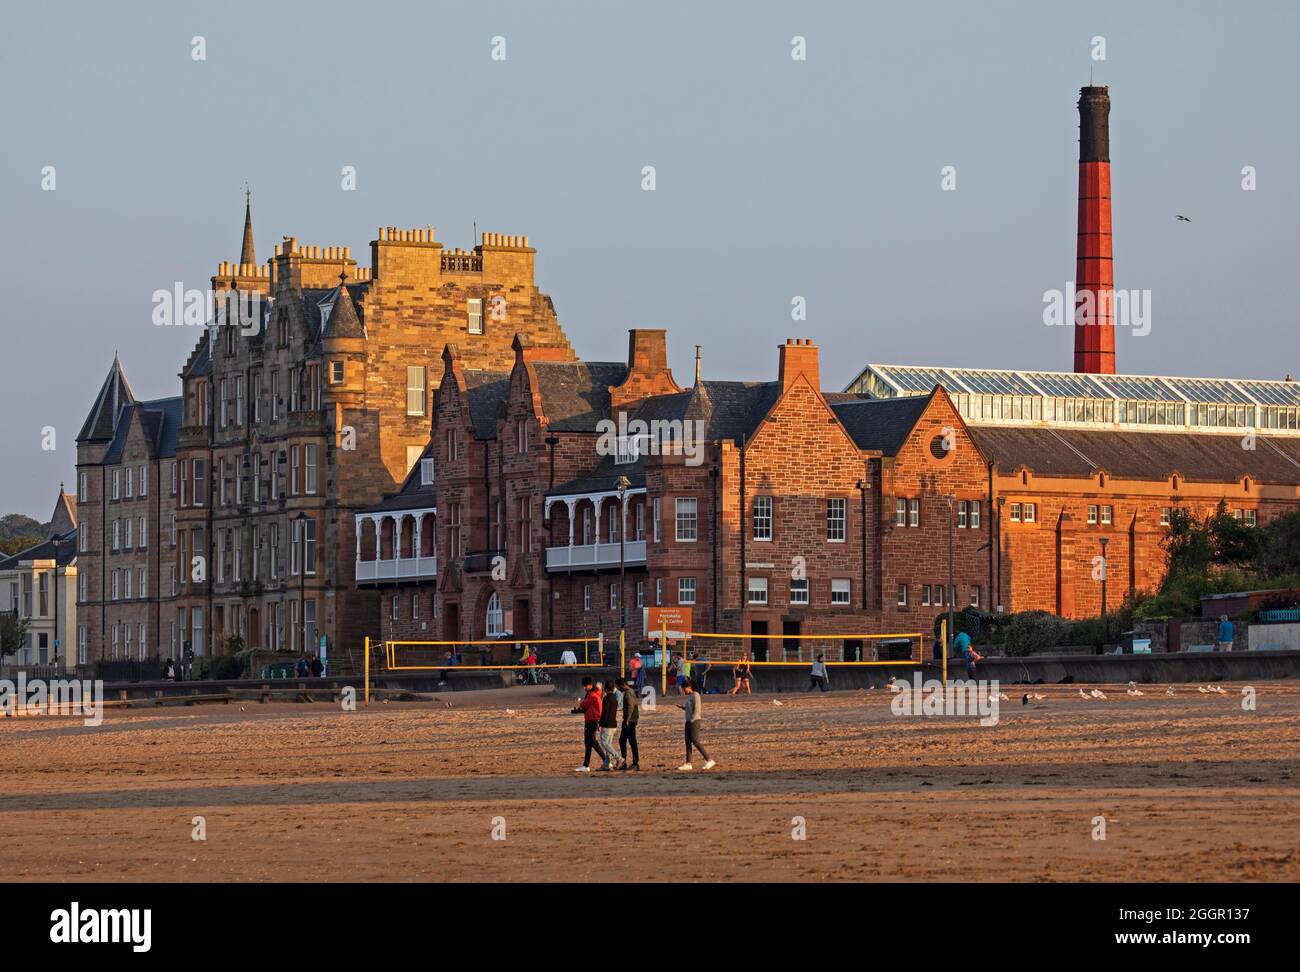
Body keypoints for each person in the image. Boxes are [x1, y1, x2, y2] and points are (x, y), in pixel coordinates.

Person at [675, 679, 716, 772]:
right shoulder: (689, 696)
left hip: (695, 721)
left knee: (695, 741)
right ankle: (688, 763)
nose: (683, 691)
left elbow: (697, 709)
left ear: (688, 687)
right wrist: (683, 708)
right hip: (688, 721)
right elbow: (690, 708)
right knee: (688, 742)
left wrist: (692, 720)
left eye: (683, 688)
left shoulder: (695, 695)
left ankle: (709, 760)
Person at [572, 677, 608, 773]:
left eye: (585, 686)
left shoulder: (592, 695)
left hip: (592, 720)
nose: (584, 688)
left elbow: (583, 705)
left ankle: (604, 761)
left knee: (591, 742)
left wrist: (580, 701)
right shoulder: (594, 693)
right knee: (590, 743)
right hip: (592, 720)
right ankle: (587, 765)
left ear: (590, 685)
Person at [615, 676, 640, 771]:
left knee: (632, 741)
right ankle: (624, 762)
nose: (618, 689)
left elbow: (630, 707)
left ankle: (635, 763)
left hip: (630, 721)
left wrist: (627, 720)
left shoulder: (628, 693)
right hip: (629, 720)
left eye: (618, 687)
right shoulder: (629, 692)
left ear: (623, 685)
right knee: (622, 740)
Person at [599, 679, 622, 770]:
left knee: (605, 743)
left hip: (607, 725)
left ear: (605, 688)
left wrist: (600, 724)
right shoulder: (615, 698)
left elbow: (605, 713)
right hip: (613, 724)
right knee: (608, 745)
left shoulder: (606, 698)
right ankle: (606, 764)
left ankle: (618, 758)